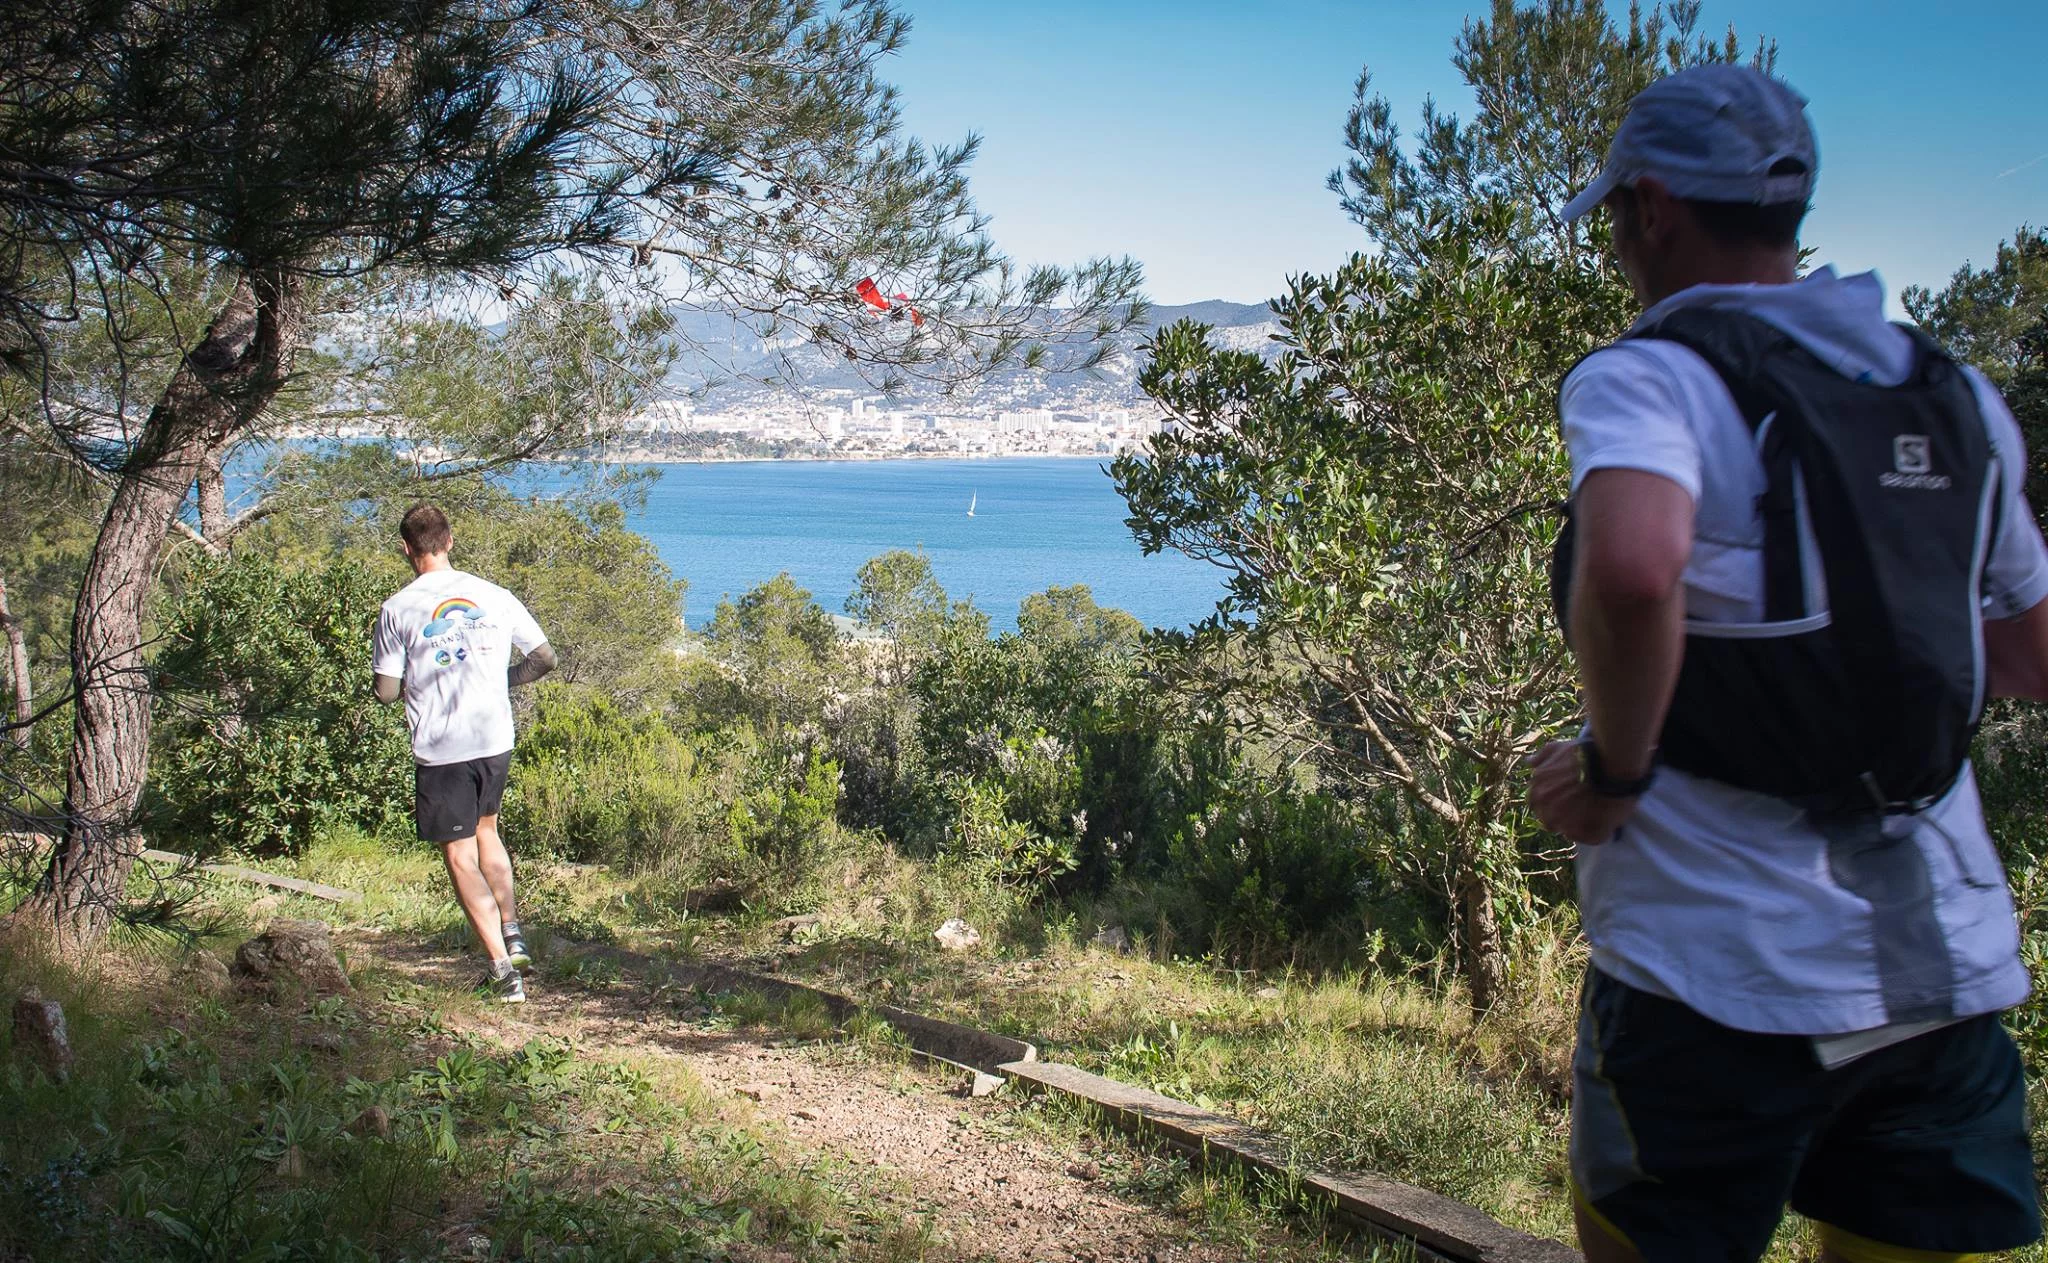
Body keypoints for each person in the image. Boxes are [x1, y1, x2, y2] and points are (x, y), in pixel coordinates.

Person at [1526, 65, 2048, 1263]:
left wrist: (1611, 771)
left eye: (1613, 218)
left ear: (1651, 207)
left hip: (1710, 969)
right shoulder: (1951, 392)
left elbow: (1631, 568)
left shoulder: (1652, 374)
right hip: (1941, 970)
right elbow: (2025, 655)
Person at [373, 503, 557, 1003]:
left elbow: (387, 692)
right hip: (494, 738)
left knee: (458, 853)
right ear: (450, 541)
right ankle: (513, 930)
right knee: (487, 831)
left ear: (406, 548)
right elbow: (544, 658)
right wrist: (501, 681)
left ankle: (503, 972)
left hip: (443, 746)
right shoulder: (495, 595)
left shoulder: (398, 608)